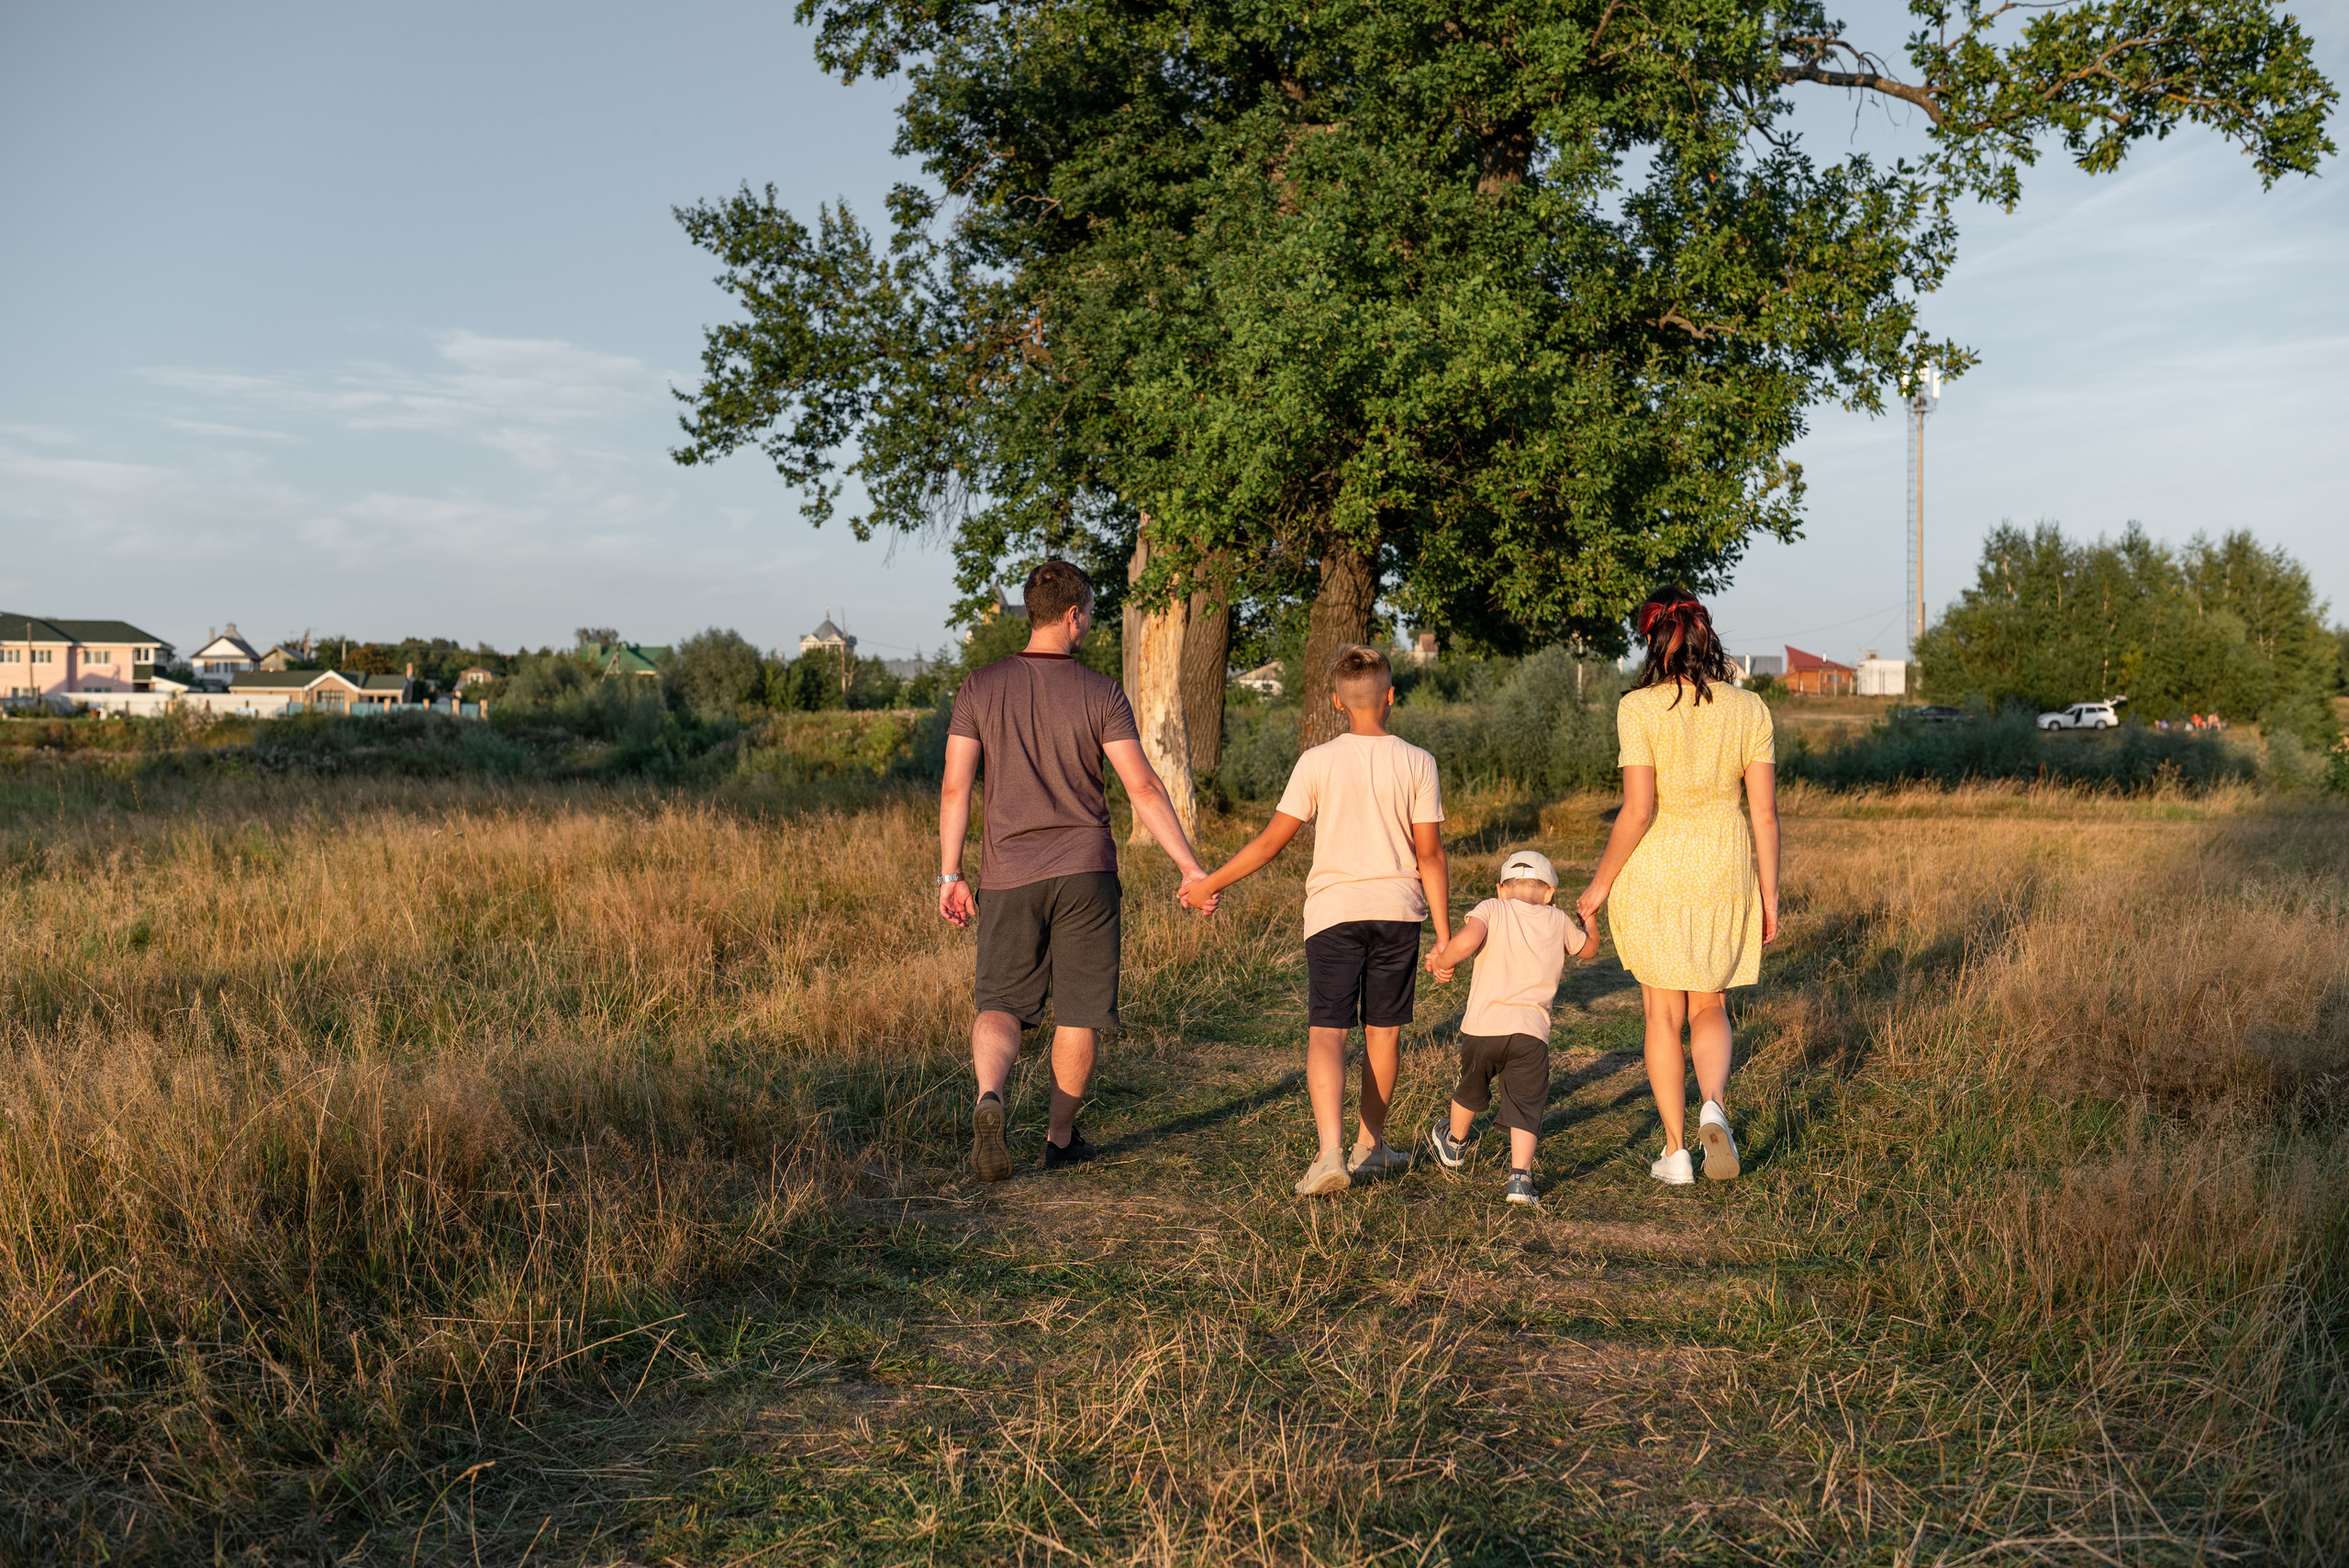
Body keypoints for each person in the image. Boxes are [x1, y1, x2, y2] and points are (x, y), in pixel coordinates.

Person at [939, 559, 1216, 1182]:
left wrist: (949, 873)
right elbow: (1142, 786)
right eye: (1088, 614)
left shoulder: (979, 687)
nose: (1087, 624)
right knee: (1079, 1012)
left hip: (1008, 872)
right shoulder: (1101, 692)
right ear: (1072, 615)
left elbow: (956, 789)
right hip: (1086, 870)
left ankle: (990, 1096)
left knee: (1001, 1001)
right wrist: (1190, 867)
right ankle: (1059, 1138)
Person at [1183, 644, 1449, 1195]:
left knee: (1327, 1032)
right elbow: (1431, 857)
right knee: (1384, 1033)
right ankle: (1370, 1146)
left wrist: (1209, 883)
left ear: (1336, 702)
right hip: (1399, 913)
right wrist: (1445, 937)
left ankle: (1330, 1155)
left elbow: (1270, 844)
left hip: (1332, 914)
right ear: (1390, 697)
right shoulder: (1418, 761)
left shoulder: (1317, 761)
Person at [1575, 588, 1778, 1185]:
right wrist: (1770, 894)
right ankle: (1713, 1103)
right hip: (1723, 864)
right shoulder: (1750, 709)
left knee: (1662, 1014)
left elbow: (1637, 811)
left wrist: (1599, 887)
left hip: (1658, 868)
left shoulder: (1638, 709)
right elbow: (1764, 814)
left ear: (1652, 639)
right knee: (1710, 1002)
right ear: (1702, 635)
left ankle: (1674, 1150)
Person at [1422, 849, 1593, 1205]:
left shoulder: (1491, 908)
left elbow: (1467, 941)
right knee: (1526, 1104)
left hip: (1483, 1027)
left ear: (1501, 888)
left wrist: (1442, 960)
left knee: (1470, 1087)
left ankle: (1454, 1144)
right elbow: (1588, 950)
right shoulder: (1559, 919)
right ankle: (1519, 1180)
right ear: (1549, 893)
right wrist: (1588, 921)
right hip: (1531, 1033)